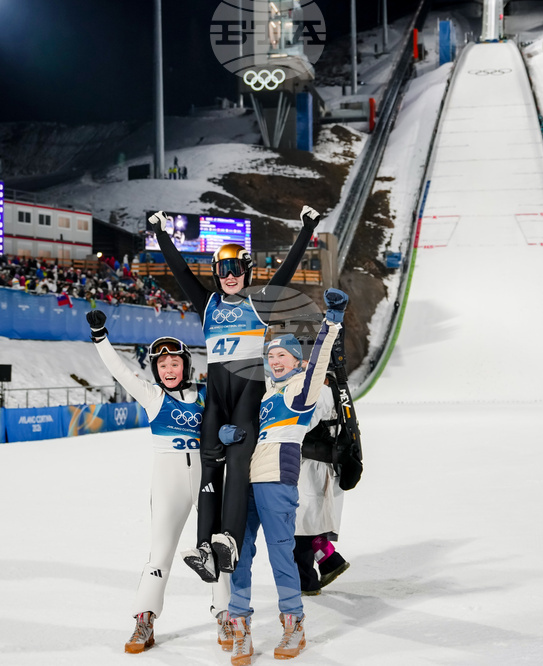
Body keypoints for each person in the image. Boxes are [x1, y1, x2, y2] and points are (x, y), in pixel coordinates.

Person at [146, 205, 321, 583]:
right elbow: (179, 272)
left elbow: (287, 271)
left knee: (238, 464)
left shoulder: (259, 302)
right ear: (216, 273)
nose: (229, 277)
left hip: (247, 396)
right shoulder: (207, 304)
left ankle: (229, 537)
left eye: (236, 270)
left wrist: (306, 229)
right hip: (217, 399)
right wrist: (162, 234)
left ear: (247, 272)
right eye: (223, 271)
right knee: (210, 464)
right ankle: (206, 546)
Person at [84, 310, 232, 655]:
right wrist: (101, 337)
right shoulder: (152, 396)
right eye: (162, 365)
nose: (168, 370)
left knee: (217, 548)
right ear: (156, 370)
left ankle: (226, 614)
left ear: (186, 365)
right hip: (168, 478)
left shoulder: (206, 393)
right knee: (160, 552)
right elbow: (119, 371)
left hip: (206, 473)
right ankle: (145, 619)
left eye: (174, 364)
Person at [222, 288, 348, 665]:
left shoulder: (300, 390)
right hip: (248, 477)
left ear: (295, 360)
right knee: (240, 553)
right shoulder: (267, 395)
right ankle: (239, 624)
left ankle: (293, 623)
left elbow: (319, 361)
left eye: (282, 355)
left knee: (281, 553)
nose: (275, 361)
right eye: (271, 355)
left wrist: (332, 322)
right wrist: (234, 437)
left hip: (277, 477)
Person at [293, 371, 351, 596]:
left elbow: (301, 426)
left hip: (314, 466)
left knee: (301, 526)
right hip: (320, 465)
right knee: (308, 523)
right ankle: (328, 560)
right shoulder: (336, 386)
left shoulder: (320, 390)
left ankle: (308, 582)